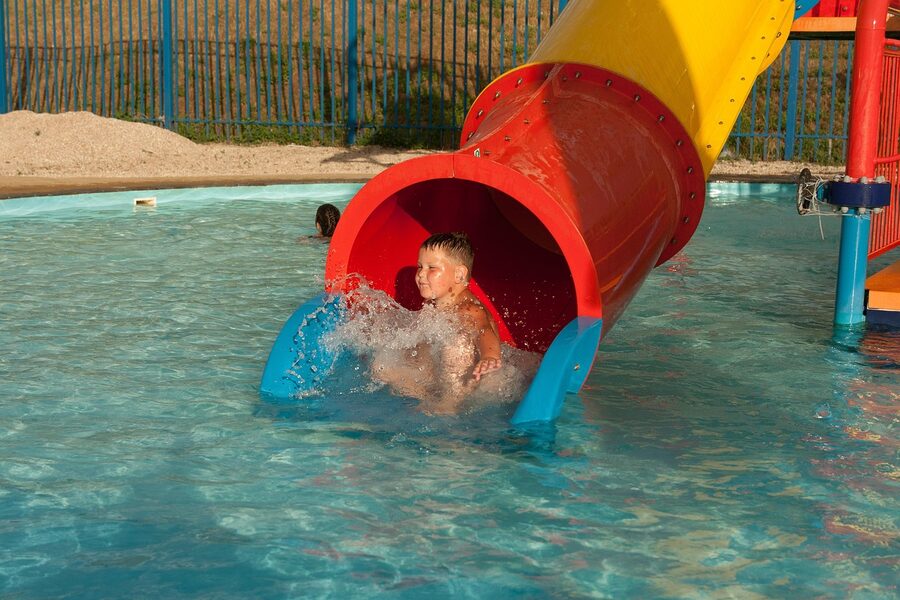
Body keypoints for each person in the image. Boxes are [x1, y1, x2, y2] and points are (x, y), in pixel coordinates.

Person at [370, 232, 503, 414]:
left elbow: (484, 332)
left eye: (431, 268)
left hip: (469, 382)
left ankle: (450, 404)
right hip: (436, 378)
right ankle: (424, 397)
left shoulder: (469, 310)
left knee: (455, 343)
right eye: (419, 267)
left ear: (459, 274)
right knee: (381, 368)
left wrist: (490, 357)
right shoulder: (433, 304)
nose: (421, 275)